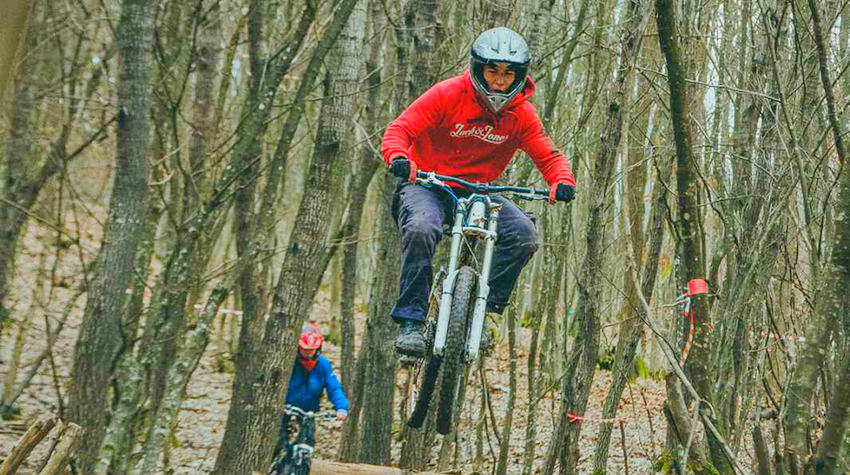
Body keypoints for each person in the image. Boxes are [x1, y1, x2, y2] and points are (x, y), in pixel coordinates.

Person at [380, 26, 577, 357]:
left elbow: (549, 156)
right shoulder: (447, 94)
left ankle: (484, 314)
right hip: (427, 183)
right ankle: (411, 322)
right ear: (477, 69)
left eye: (508, 73)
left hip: (478, 192)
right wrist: (399, 157)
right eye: (492, 71)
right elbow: (399, 129)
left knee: (523, 235)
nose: (499, 81)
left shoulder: (522, 114)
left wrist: (562, 180)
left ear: (519, 76)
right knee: (420, 228)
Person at [272, 326, 348, 460]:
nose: (308, 353)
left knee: (307, 444)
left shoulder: (323, 364)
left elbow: (334, 387)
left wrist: (341, 407)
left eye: (311, 350)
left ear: (317, 348)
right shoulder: (289, 361)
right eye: (304, 349)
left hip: (309, 412)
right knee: (277, 443)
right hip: (286, 409)